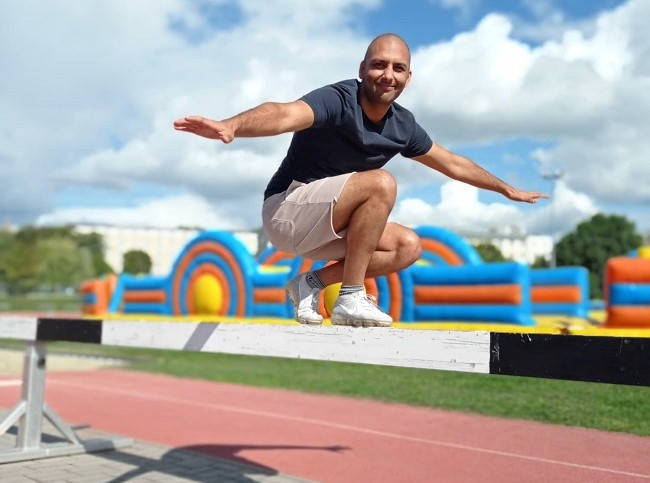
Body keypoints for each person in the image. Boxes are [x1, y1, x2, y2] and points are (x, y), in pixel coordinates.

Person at [173, 33, 548, 328]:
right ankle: (351, 296)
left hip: (329, 227)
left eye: (398, 68)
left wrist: (505, 188)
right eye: (379, 65)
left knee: (407, 247)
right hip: (286, 210)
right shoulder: (339, 99)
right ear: (362, 68)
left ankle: (310, 284)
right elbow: (284, 113)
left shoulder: (403, 126)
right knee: (381, 183)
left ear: (408, 77)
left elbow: (451, 162)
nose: (388, 75)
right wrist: (232, 125)